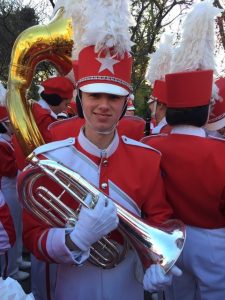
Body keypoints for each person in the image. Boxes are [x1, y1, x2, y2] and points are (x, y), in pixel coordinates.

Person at [18, 1, 182, 299]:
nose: (103, 105)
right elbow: (32, 238)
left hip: (127, 288)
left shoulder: (147, 158)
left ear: (125, 102)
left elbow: (159, 219)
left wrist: (155, 266)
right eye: (94, 95)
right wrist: (75, 239)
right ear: (80, 96)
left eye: (113, 97)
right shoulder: (50, 158)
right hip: (71, 288)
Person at [143, 2, 225, 299]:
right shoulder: (220, 153)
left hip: (168, 238)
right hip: (213, 241)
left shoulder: (149, 146)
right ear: (205, 112)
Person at [13, 76, 74, 170]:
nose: (66, 109)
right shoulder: (44, 119)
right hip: (33, 169)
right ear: (56, 100)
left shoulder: (33, 109)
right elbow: (52, 148)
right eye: (66, 104)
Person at [145, 34, 173, 135]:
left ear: (160, 105)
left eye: (152, 101)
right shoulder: (161, 127)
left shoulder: (163, 131)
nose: (149, 105)